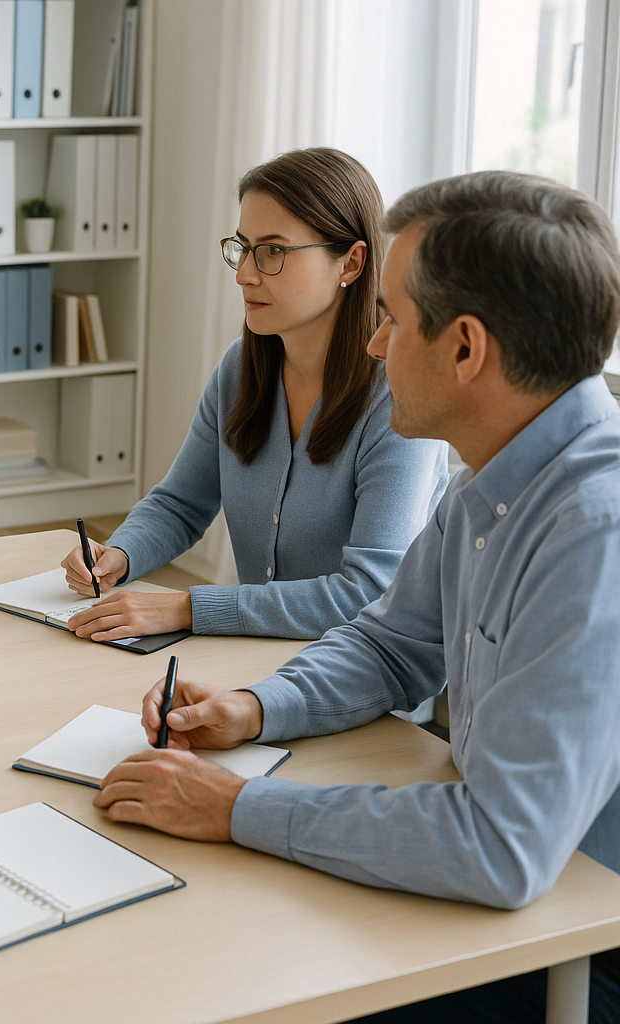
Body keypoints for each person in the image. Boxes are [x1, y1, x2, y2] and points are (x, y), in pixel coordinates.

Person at [95, 171, 620, 1020]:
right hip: (505, 903)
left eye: (392, 320)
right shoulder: (491, 480)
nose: (374, 347)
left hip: (574, 950)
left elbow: (501, 848)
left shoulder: (597, 530)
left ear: (465, 349)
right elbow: (390, 644)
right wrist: (255, 708)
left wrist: (239, 806)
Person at [61, 148, 447, 641]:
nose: (245, 273)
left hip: (361, 681)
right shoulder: (239, 371)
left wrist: (187, 607)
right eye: (242, 248)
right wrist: (119, 555)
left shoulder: (398, 399)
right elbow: (181, 502)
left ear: (350, 261)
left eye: (273, 251)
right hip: (255, 657)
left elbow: (366, 592)